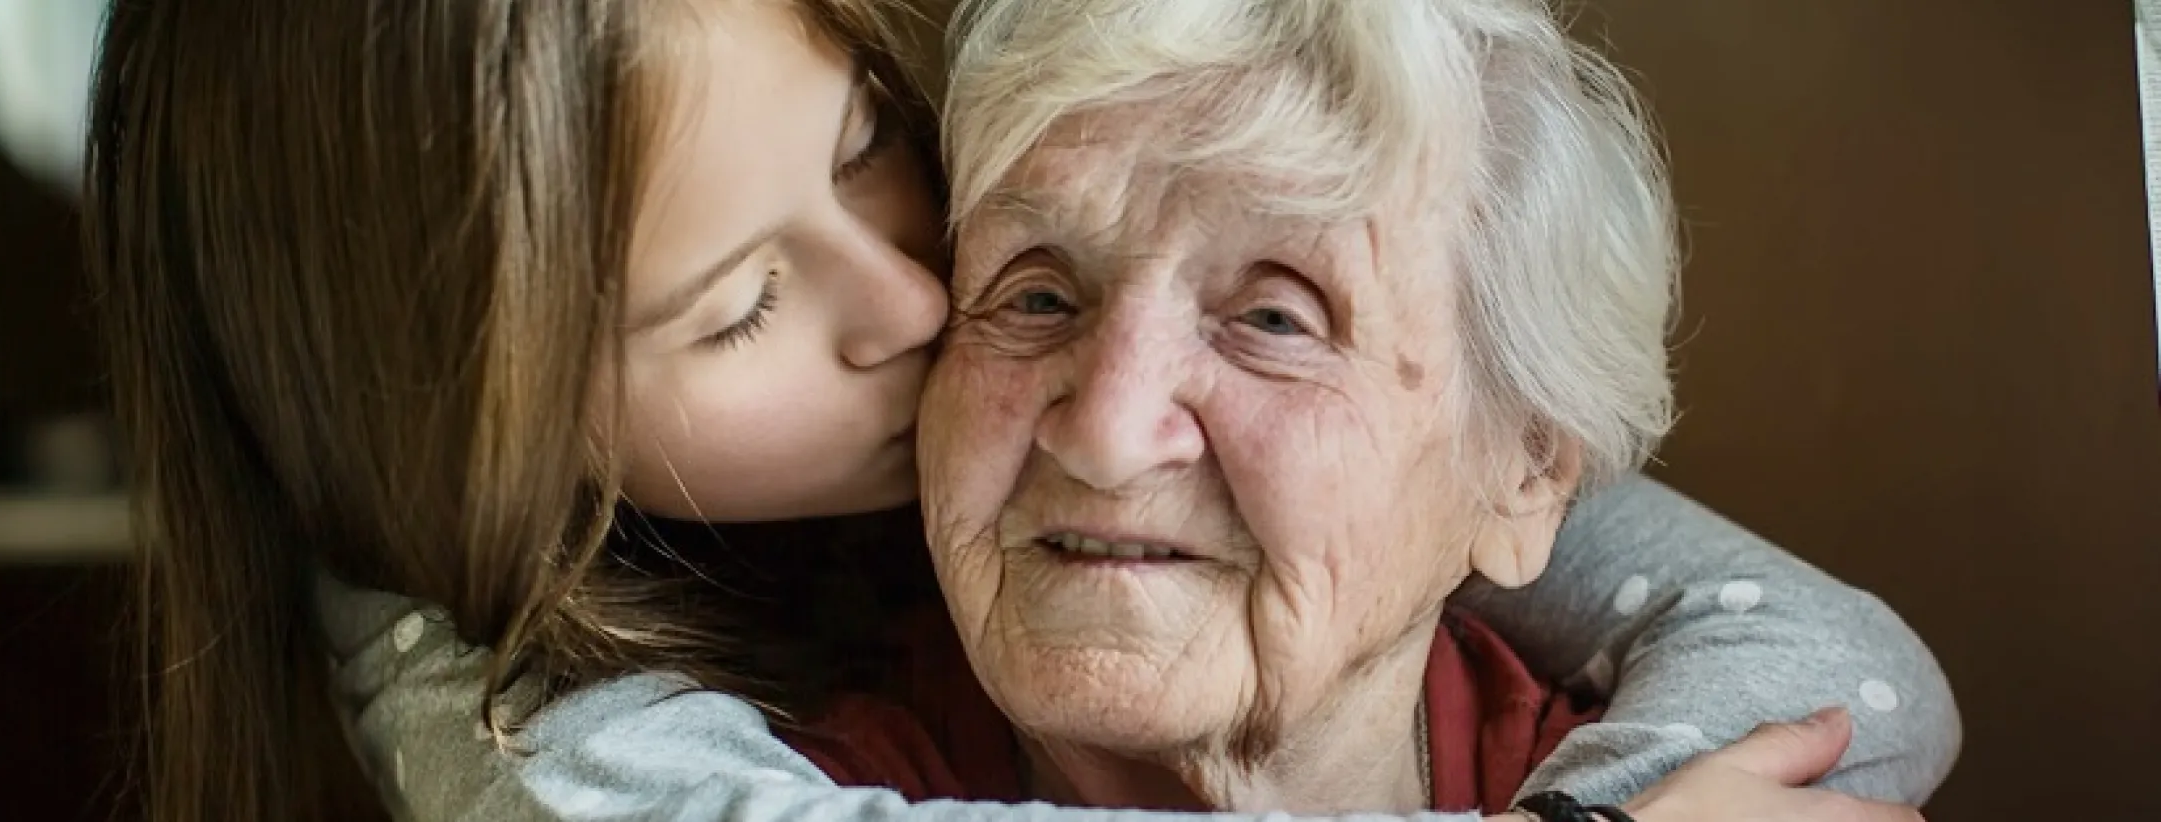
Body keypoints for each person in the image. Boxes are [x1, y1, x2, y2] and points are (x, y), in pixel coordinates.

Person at [83, 1, 1955, 821]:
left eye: (877, 152)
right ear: (493, 453)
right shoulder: (555, 735)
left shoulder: (1637, 679)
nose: (1092, 413)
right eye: (1033, 290)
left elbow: (1836, 671)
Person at [793, 0, 1931, 817]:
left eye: (1277, 320)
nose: (1104, 430)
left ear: (1525, 473)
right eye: (1038, 294)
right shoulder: (757, 785)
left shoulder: (1717, 798)